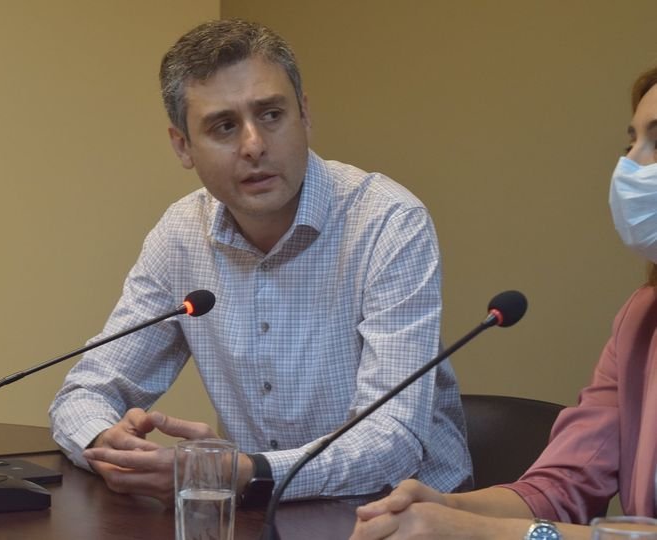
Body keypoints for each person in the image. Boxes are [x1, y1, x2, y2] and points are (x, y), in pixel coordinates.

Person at [49, 18, 470, 506]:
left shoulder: (388, 222)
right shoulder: (181, 235)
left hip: (410, 514)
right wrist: (110, 444)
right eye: (224, 126)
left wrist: (247, 473)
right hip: (263, 514)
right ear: (183, 146)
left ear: (304, 114)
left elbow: (391, 440)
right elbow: (84, 394)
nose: (254, 145)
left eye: (271, 115)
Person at [350, 64, 657, 540]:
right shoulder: (641, 318)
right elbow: (563, 487)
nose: (631, 166)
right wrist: (443, 504)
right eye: (631, 144)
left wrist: (474, 531)